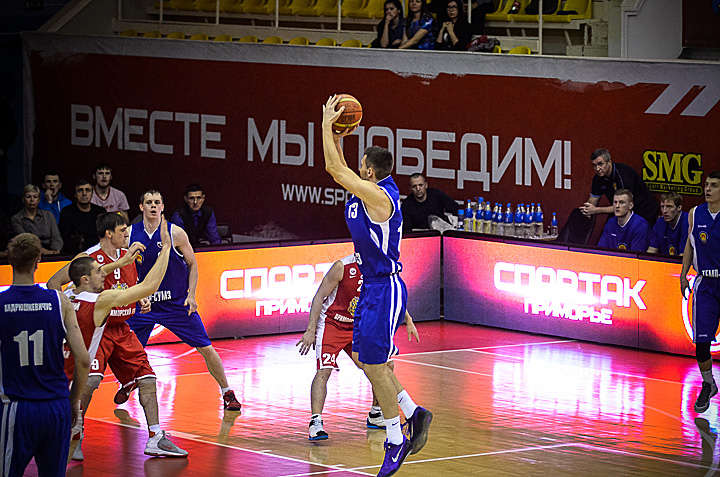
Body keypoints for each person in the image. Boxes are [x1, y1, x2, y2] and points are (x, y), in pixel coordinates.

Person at [322, 95, 432, 477]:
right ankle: (414, 412)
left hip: (384, 287)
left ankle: (396, 438)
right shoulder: (366, 189)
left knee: (372, 363)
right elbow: (341, 166)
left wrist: (325, 124)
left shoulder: (381, 197)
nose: (356, 170)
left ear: (369, 171)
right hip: (372, 288)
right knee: (369, 360)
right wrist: (339, 134)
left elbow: (334, 170)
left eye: (361, 167)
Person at [48, 216, 189, 459]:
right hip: (98, 327)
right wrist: (67, 313)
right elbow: (53, 283)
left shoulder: (129, 255)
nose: (127, 233)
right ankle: (76, 432)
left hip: (122, 328)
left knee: (147, 378)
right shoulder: (88, 259)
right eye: (123, 230)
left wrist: (139, 298)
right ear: (108, 233)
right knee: (89, 380)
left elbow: (133, 287)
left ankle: (156, 436)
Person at [127, 190, 242, 411]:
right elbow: (125, 269)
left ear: (163, 206)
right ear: (141, 207)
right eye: (149, 202)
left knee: (206, 347)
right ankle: (128, 381)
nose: (153, 206)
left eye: (157, 202)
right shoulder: (130, 234)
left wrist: (191, 295)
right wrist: (135, 295)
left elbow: (192, 264)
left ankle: (227, 391)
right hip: (144, 305)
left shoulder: (176, 232)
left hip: (175, 303)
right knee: (125, 349)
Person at [296, 255, 419, 441]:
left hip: (359, 325)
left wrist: (408, 320)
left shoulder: (379, 268)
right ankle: (316, 421)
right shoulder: (342, 267)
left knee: (383, 366)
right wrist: (310, 330)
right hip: (332, 323)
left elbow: (391, 297)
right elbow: (319, 296)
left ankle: (376, 412)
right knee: (324, 370)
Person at [0, 233, 90, 476]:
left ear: (10, 260)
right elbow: (83, 360)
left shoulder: (2, 303)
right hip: (56, 405)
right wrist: (73, 401)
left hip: (17, 407)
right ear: (38, 260)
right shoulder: (59, 301)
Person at [680, 171, 720, 414]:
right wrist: (683, 273)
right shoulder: (695, 213)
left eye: (714, 185)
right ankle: (708, 384)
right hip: (705, 283)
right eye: (706, 185)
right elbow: (689, 243)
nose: (708, 189)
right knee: (702, 344)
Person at [580, 148, 659, 226]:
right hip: (622, 210)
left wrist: (596, 210)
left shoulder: (623, 175)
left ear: (609, 162)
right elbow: (592, 201)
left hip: (644, 210)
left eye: (600, 164)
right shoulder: (598, 178)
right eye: (594, 165)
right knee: (608, 229)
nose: (597, 169)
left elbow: (624, 206)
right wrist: (587, 210)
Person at [11, 184, 63, 254]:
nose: (32, 200)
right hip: (28, 253)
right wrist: (41, 251)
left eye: (35, 197)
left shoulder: (48, 215)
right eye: (28, 197)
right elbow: (25, 241)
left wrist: (55, 250)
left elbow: (56, 236)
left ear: (39, 200)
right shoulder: (16, 218)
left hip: (50, 250)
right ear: (23, 199)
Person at [59, 180, 106, 254]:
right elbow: (65, 237)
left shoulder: (100, 212)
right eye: (80, 190)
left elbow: (104, 236)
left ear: (92, 194)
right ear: (75, 194)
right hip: (73, 254)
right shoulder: (66, 212)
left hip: (98, 253)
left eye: (87, 190)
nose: (84, 193)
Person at [170, 183, 222, 248]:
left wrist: (217, 251)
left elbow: (214, 238)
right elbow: (178, 241)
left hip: (198, 247)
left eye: (198, 198)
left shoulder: (208, 212)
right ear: (186, 199)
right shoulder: (178, 215)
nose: (195, 202)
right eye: (191, 198)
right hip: (182, 249)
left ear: (203, 198)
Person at [647, 191, 689, 256]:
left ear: (679, 207)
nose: (665, 211)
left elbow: (683, 256)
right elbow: (651, 251)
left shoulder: (687, 222)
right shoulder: (660, 223)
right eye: (662, 206)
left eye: (669, 206)